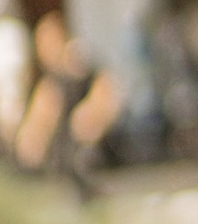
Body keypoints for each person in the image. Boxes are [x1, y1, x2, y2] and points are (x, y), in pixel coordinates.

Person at [14, 11, 121, 198]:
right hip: (62, 171)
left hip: (88, 162)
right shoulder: (50, 82)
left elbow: (106, 91)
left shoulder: (80, 69)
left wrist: (92, 116)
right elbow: (37, 125)